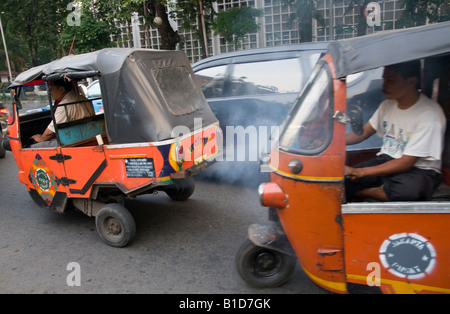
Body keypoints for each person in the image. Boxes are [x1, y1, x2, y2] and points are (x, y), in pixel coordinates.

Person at [344, 60, 446, 202]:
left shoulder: (430, 115)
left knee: (406, 192)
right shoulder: (387, 105)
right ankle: (381, 191)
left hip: (418, 169)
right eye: (384, 80)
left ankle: (366, 192)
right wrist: (333, 141)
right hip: (387, 159)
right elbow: (362, 133)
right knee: (342, 180)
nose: (384, 86)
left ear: (411, 82)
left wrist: (359, 172)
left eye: (390, 81)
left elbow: (406, 162)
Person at [31, 79, 95, 147]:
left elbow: (49, 133)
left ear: (62, 89)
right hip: (87, 136)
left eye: (52, 88)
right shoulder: (83, 99)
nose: (49, 91)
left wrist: (40, 139)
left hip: (72, 140)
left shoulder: (65, 105)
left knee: (34, 146)